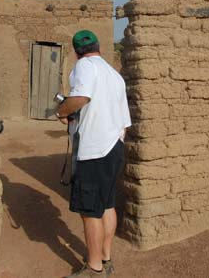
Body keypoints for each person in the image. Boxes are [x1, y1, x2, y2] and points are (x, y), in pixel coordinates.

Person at [56, 30, 131, 277]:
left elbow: (81, 97)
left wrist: (63, 111)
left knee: (90, 212)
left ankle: (94, 268)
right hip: (114, 146)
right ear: (99, 46)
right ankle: (106, 259)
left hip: (95, 151)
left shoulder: (85, 66)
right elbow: (123, 120)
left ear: (77, 52)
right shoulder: (114, 75)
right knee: (107, 205)